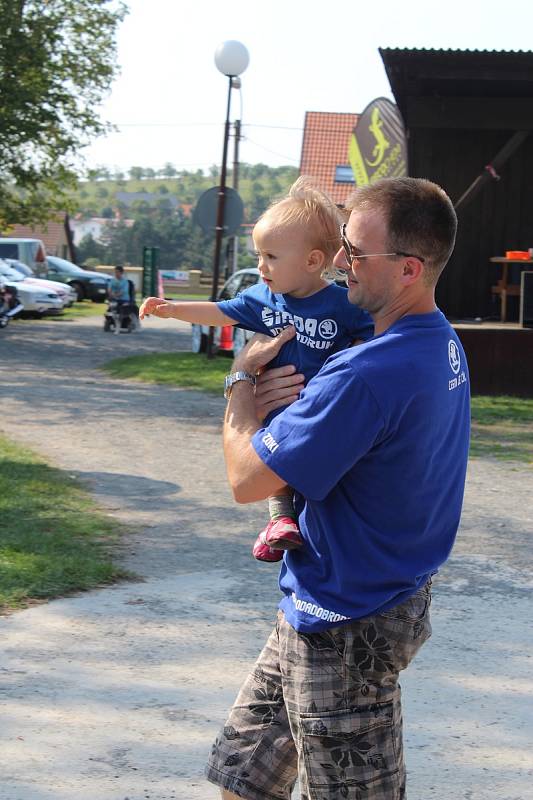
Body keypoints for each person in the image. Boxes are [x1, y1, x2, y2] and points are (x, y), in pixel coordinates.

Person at [205, 177, 471, 800]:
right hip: (325, 604)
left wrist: (240, 390)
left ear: (408, 269)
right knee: (242, 780)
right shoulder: (440, 343)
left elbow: (248, 480)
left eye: (355, 251)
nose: (340, 261)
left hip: (348, 622)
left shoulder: (367, 373)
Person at [139, 178, 373, 561]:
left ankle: (312, 528)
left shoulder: (342, 304)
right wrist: (173, 308)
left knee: (323, 472)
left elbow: (368, 336)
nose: (260, 266)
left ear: (313, 262)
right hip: (279, 410)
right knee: (272, 456)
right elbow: (221, 311)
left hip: (320, 409)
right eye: (258, 255)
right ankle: (280, 522)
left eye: (271, 257)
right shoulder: (262, 299)